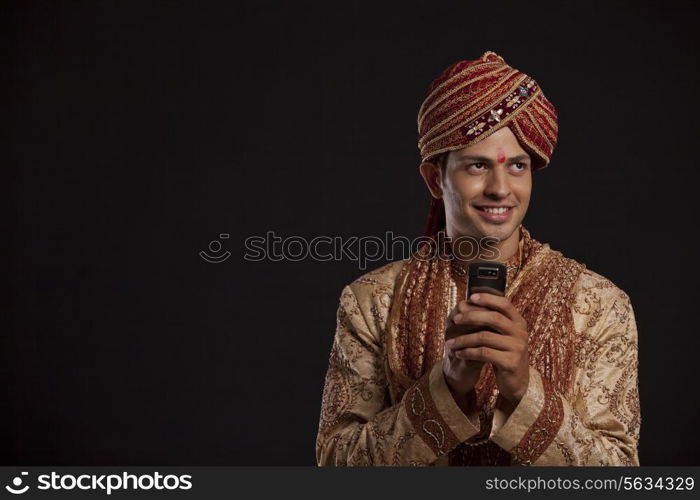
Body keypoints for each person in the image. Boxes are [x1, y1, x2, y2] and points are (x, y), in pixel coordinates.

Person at [315, 51, 640, 466]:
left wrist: (526, 391)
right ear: (435, 179)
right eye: (477, 166)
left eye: (517, 166)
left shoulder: (598, 305)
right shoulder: (372, 301)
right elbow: (334, 465)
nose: (500, 188)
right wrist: (446, 390)